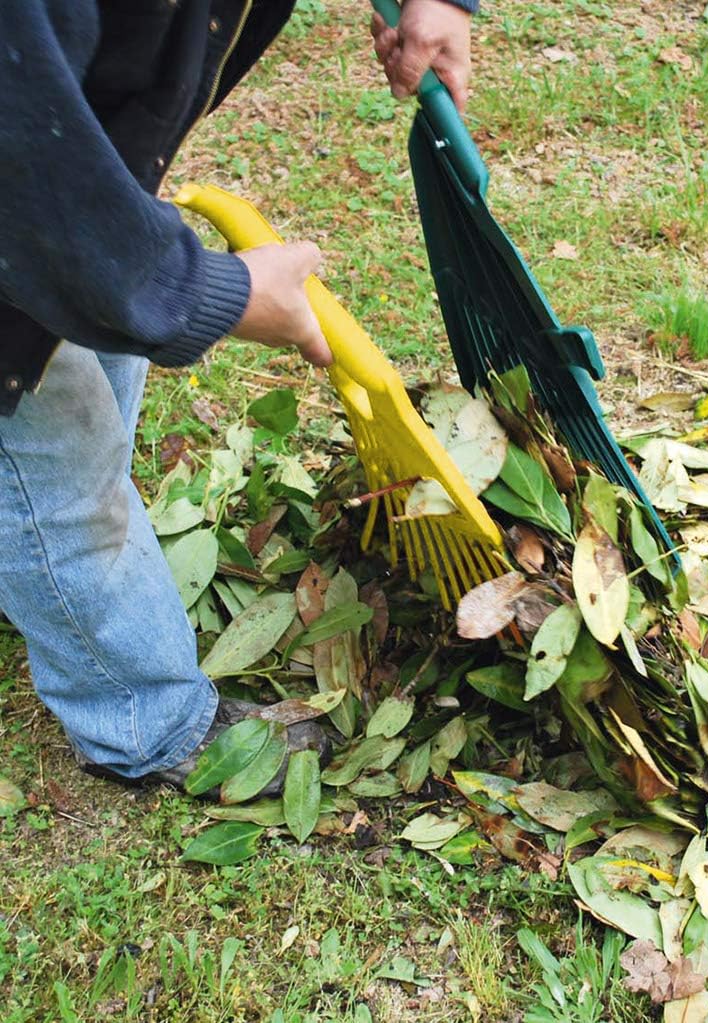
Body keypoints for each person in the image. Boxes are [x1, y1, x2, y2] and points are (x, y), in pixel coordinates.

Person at [0, 0, 476, 794]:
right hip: (22, 182)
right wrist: (194, 290)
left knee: (102, 351)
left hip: (63, 151)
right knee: (54, 465)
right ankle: (139, 715)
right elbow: (20, 169)